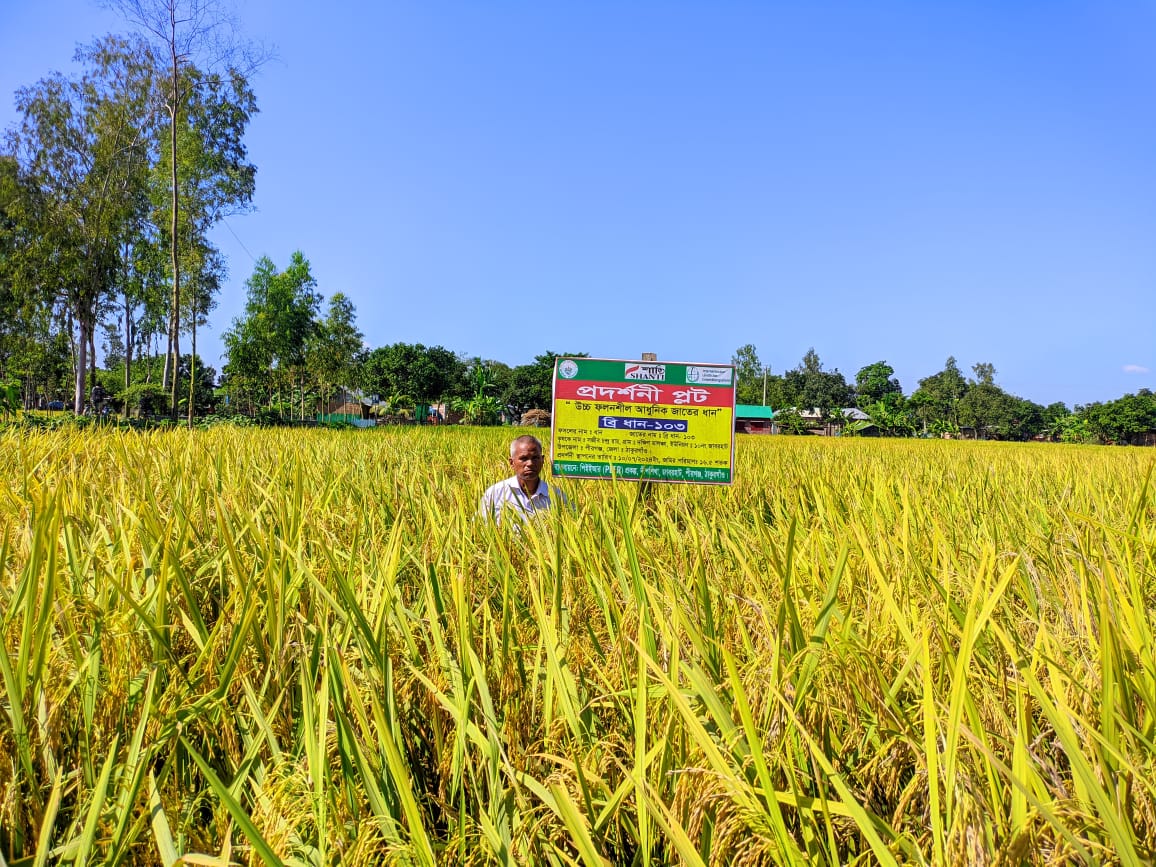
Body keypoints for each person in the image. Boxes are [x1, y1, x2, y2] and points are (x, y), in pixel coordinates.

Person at [479, 434, 566, 525]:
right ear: (512, 463)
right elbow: (478, 527)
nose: (530, 463)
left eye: (535, 458)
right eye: (523, 459)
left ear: (542, 460)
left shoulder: (557, 497)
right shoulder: (496, 493)